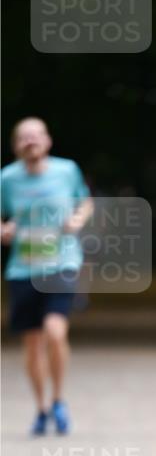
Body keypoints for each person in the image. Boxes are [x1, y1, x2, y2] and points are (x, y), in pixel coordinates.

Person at [1, 117, 92, 435]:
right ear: (15, 146)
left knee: (55, 331)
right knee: (32, 344)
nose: (30, 141)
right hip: (23, 268)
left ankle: (58, 400)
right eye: (23, 137)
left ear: (47, 141)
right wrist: (5, 229)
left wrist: (78, 220)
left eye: (35, 136)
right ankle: (41, 408)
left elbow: (86, 203)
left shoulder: (67, 170)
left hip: (62, 262)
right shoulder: (7, 178)